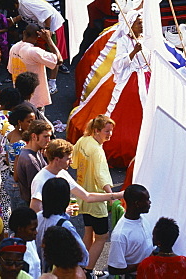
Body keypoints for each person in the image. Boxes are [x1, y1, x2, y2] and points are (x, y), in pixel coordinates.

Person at [29, 139, 121, 213]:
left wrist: (117, 195)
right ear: (57, 159)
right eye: (68, 159)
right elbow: (35, 211)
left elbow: (87, 196)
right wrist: (63, 211)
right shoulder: (40, 180)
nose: (71, 162)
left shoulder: (62, 173)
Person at [71, 115, 115, 271]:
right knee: (102, 237)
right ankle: (89, 270)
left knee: (88, 232)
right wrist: (112, 196)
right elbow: (101, 175)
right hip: (96, 199)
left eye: (110, 131)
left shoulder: (84, 140)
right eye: (106, 131)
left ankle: (80, 265)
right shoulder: (97, 150)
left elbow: (74, 163)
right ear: (97, 131)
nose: (109, 134)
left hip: (83, 195)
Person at [35, 176, 88, 272]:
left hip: (38, 271)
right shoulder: (64, 225)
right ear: (65, 199)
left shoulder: (37, 217)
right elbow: (83, 255)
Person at [9, 25, 62, 113]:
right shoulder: (34, 51)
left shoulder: (14, 48)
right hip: (35, 98)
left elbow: (11, 70)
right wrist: (49, 40)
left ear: (24, 33)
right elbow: (59, 60)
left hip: (19, 97)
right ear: (38, 36)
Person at [106, 184, 155, 277]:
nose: (150, 202)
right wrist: (144, 264)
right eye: (147, 200)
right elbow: (114, 269)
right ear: (137, 204)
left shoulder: (144, 220)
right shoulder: (120, 235)